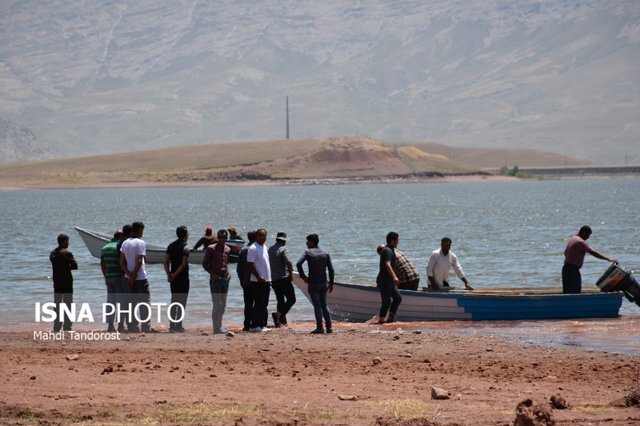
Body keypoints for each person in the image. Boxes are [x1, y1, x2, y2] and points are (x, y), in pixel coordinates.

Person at [296, 233, 334, 334]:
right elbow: (331, 269)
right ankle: (329, 327)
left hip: (313, 283)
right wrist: (331, 283)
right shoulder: (325, 253)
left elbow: (298, 264)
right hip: (323, 283)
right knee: (324, 305)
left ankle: (320, 328)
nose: (306, 243)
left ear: (312, 242)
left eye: (307, 241)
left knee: (317, 306)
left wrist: (304, 277)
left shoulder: (308, 252)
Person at [120, 221, 154, 333]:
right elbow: (139, 260)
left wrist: (129, 274)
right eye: (142, 230)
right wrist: (134, 275)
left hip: (128, 277)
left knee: (132, 304)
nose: (142, 233)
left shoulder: (125, 243)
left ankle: (132, 327)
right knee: (144, 303)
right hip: (140, 277)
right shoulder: (141, 242)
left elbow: (121, 261)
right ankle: (145, 327)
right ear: (139, 230)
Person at [562, 225, 616, 294]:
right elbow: (593, 252)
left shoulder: (573, 239)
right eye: (588, 235)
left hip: (566, 268)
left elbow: (565, 253)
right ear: (584, 233)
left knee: (567, 292)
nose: (588, 238)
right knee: (575, 292)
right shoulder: (581, 242)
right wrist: (607, 258)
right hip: (572, 270)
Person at [202, 229, 232, 334]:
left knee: (223, 304)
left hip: (225, 279)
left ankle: (220, 325)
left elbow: (226, 263)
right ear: (218, 238)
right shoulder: (211, 249)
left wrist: (229, 273)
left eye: (225, 237)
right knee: (217, 304)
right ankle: (216, 328)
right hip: (215, 280)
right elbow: (205, 264)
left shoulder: (228, 249)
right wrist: (212, 274)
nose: (223, 239)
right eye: (221, 237)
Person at [164, 226, 190, 332]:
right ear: (185, 235)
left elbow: (165, 262)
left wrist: (169, 274)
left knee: (174, 300)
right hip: (182, 278)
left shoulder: (170, 246)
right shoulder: (186, 247)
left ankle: (171, 325)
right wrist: (174, 275)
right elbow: (184, 264)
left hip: (173, 279)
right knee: (182, 302)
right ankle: (178, 325)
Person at [49, 234, 78, 332]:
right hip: (67, 282)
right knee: (68, 304)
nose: (68, 243)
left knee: (57, 305)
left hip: (57, 282)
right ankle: (67, 327)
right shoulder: (67, 253)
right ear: (64, 241)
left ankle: (56, 327)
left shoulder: (52, 253)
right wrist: (66, 268)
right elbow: (75, 266)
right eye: (68, 241)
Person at [101, 229, 126, 332]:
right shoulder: (119, 247)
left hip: (109, 277)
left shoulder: (104, 247)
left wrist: (105, 275)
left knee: (110, 302)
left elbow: (102, 264)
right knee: (121, 302)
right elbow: (122, 262)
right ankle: (120, 325)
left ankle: (110, 326)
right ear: (121, 237)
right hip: (119, 277)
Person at [268, 232, 296, 328]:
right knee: (292, 299)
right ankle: (278, 315)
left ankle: (281, 322)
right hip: (283, 278)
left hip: (274, 279)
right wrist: (291, 274)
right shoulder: (283, 249)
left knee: (280, 300)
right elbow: (289, 262)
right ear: (283, 241)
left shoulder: (270, 249)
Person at [247, 228, 272, 332]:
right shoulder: (253, 248)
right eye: (260, 235)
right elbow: (249, 264)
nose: (262, 237)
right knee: (258, 304)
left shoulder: (265, 247)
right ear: (256, 236)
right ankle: (255, 326)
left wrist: (269, 279)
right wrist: (258, 276)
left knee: (264, 304)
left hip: (266, 281)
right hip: (257, 282)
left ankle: (261, 325)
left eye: (264, 236)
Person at [376, 232, 402, 324]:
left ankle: (390, 318)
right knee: (386, 301)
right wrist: (394, 276)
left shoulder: (390, 250)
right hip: (385, 281)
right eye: (397, 240)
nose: (398, 242)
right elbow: (387, 264)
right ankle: (381, 320)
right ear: (392, 241)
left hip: (389, 281)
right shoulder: (387, 250)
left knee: (398, 298)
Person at [237, 230, 257, 331]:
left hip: (246, 282)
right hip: (257, 281)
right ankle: (256, 323)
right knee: (258, 303)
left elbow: (239, 268)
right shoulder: (257, 249)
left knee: (248, 304)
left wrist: (241, 279)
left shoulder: (243, 250)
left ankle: (246, 325)